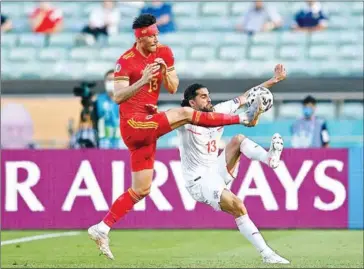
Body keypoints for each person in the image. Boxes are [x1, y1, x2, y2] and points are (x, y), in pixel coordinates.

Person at [87, 13, 265, 260]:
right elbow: (117, 97)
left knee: (141, 189)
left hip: (149, 127)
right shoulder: (125, 61)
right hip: (134, 124)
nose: (157, 39)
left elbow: (172, 87)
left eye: (157, 34)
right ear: (141, 37)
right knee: (185, 113)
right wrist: (144, 80)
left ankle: (102, 227)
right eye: (152, 36)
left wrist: (165, 71)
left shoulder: (164, 52)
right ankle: (243, 119)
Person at [177, 65, 289, 265]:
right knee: (238, 206)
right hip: (199, 181)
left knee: (237, 139)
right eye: (203, 96)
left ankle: (269, 159)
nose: (209, 99)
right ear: (192, 102)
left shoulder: (218, 110)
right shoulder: (186, 119)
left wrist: (274, 80)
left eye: (208, 95)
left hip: (216, 170)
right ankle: (267, 253)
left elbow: (248, 95)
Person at [95, 70, 125, 149]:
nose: (111, 82)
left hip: (120, 139)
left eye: (114, 80)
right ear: (105, 82)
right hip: (105, 139)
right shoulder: (99, 99)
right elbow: (98, 115)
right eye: (109, 80)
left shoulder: (124, 98)